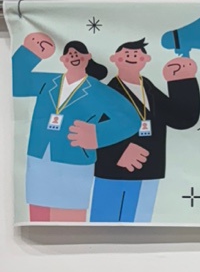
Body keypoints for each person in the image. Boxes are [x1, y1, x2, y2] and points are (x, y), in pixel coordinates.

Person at [13, 33, 141, 222]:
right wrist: (29, 52)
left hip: (74, 161)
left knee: (69, 219)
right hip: (39, 159)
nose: (73, 57)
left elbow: (130, 119)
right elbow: (15, 82)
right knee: (38, 221)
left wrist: (97, 135)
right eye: (69, 54)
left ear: (88, 57)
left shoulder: (97, 90)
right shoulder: (49, 83)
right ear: (62, 60)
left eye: (78, 53)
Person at [90, 37, 200, 224]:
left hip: (148, 170)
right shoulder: (108, 92)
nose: (132, 57)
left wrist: (182, 81)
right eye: (126, 54)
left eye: (138, 55)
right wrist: (118, 153)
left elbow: (181, 119)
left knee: (140, 227)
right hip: (114, 171)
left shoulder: (148, 89)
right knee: (104, 224)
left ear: (146, 60)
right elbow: (93, 130)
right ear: (114, 59)